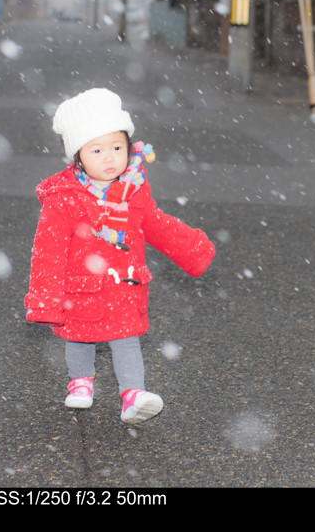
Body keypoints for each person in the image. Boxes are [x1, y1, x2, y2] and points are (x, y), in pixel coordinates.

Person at [25, 88, 215, 425]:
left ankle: (133, 395)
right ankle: (81, 381)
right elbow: (48, 252)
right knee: (79, 337)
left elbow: (154, 224)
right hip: (82, 287)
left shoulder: (135, 187)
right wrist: (44, 299)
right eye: (97, 150)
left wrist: (192, 248)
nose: (110, 158)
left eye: (117, 147)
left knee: (126, 339)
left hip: (126, 284)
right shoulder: (64, 199)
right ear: (78, 156)